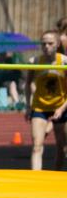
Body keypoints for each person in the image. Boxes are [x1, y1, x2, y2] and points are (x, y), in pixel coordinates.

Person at [24, 30, 67, 171]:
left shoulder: (64, 62)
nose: (46, 47)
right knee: (37, 146)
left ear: (58, 44)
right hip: (40, 107)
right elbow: (28, 84)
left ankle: (56, 176)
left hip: (60, 107)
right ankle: (36, 180)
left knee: (62, 148)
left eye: (50, 43)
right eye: (43, 44)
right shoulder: (35, 61)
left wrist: (61, 109)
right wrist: (28, 106)